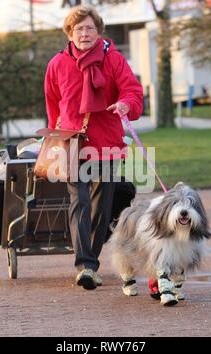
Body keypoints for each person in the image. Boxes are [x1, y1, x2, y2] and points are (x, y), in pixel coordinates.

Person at [44, 5, 143, 290]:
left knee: (102, 206)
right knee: (80, 201)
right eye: (78, 29)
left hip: (107, 141)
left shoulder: (113, 59)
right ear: (70, 34)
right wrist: (54, 139)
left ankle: (91, 262)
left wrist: (125, 104)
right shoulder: (57, 64)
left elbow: (132, 91)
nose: (84, 33)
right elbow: (53, 104)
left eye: (89, 28)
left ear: (98, 32)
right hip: (72, 141)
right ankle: (85, 265)